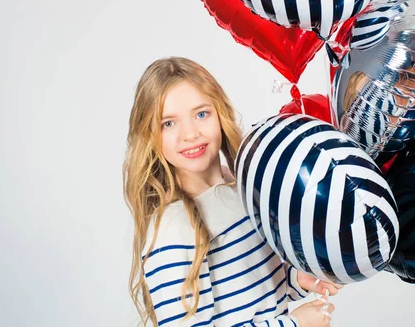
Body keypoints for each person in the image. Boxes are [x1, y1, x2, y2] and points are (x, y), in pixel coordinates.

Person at [123, 57, 342, 326]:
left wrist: (297, 280)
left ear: (220, 113)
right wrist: (293, 325)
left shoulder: (245, 189)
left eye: (201, 114)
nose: (190, 133)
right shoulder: (173, 229)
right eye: (168, 123)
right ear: (150, 135)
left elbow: (256, 295)